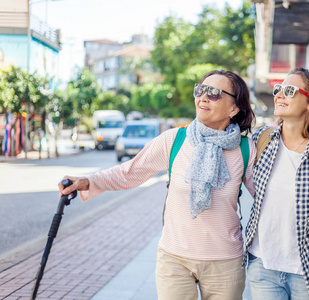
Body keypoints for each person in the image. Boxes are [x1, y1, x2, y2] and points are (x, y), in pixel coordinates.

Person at [58, 70, 256, 300]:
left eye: (214, 93)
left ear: (234, 108)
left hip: (225, 261)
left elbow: (265, 200)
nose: (202, 97)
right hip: (174, 258)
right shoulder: (175, 140)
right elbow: (129, 172)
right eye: (200, 89)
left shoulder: (245, 149)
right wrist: (89, 181)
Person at [244, 68, 309, 300]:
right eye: (278, 89)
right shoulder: (261, 140)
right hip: (263, 265)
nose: (279, 95)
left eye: (289, 90)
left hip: (308, 272)